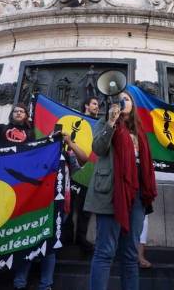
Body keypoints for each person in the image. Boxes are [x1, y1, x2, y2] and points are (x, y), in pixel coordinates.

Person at [84, 91, 157, 290]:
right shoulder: (104, 124)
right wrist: (111, 123)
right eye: (119, 99)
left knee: (131, 255)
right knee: (105, 251)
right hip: (111, 193)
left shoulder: (140, 132)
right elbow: (98, 149)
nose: (123, 101)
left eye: (127, 98)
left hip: (137, 195)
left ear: (133, 104)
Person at [12, 128, 87, 290]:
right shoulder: (39, 155)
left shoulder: (67, 156)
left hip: (60, 208)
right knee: (29, 243)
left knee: (50, 247)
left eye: (59, 137)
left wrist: (69, 142)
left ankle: (46, 285)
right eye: (55, 136)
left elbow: (84, 158)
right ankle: (19, 283)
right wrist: (46, 142)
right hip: (38, 208)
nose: (57, 139)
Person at [65, 96, 100, 254]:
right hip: (73, 170)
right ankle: (67, 236)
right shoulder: (76, 120)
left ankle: (81, 237)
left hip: (90, 172)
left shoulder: (100, 125)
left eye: (98, 105)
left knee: (86, 209)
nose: (96, 107)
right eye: (93, 104)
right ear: (86, 105)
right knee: (69, 207)